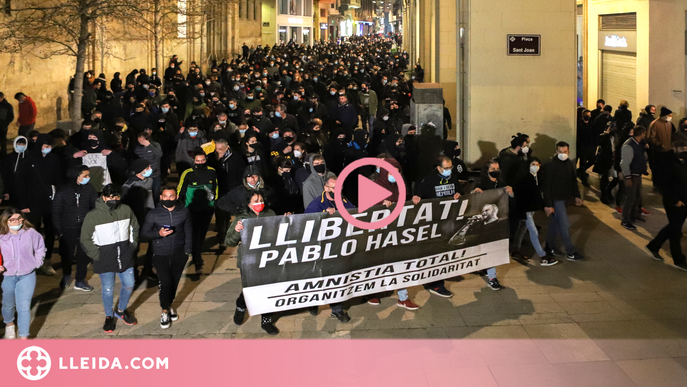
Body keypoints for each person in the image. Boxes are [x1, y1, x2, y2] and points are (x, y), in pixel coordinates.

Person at [80, 184, 139, 333]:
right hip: (104, 259)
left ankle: (121, 310)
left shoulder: (126, 210)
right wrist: (97, 255)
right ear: (104, 197)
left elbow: (135, 228)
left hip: (125, 257)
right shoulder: (93, 216)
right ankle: (108, 317)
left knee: (129, 284)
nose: (113, 200)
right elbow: (85, 239)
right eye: (110, 197)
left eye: (116, 197)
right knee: (108, 289)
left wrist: (132, 247)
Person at [226, 191, 281, 334]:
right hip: (248, 261)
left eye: (261, 199)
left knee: (267, 289)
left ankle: (266, 320)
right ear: (249, 204)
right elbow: (229, 241)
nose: (259, 202)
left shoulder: (271, 214)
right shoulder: (241, 218)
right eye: (255, 200)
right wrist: (237, 230)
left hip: (268, 259)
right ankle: (241, 305)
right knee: (251, 289)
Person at [304, 177, 356, 321]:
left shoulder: (344, 201)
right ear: (326, 188)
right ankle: (313, 303)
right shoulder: (316, 204)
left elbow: (354, 214)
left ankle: (337, 309)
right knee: (317, 277)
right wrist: (323, 215)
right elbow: (307, 223)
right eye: (335, 188)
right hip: (319, 248)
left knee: (336, 277)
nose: (338, 191)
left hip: (337, 247)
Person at [141, 186, 193, 329]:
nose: (168, 199)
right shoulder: (153, 214)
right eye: (165, 196)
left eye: (171, 196)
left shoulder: (184, 212)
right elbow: (144, 234)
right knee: (165, 282)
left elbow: (188, 231)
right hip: (160, 254)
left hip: (179, 254)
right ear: (160, 197)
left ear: (176, 197)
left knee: (174, 282)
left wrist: (187, 251)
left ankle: (169, 304)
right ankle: (164, 310)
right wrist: (159, 234)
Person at [412, 156, 464, 297]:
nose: (449, 171)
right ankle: (436, 284)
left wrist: (459, 194)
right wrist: (416, 198)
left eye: (451, 168)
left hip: (449, 221)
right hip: (434, 222)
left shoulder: (453, 178)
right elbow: (419, 196)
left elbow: (459, 192)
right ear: (438, 168)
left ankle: (437, 278)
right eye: (446, 168)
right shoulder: (429, 181)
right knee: (436, 252)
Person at [0, 208, 45, 339]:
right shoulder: (1, 236)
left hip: (27, 275)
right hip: (7, 276)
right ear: (5, 221)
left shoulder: (30, 233)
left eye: (19, 219)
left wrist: (37, 262)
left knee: (24, 306)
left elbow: (40, 247)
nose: (17, 222)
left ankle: (24, 338)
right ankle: (9, 324)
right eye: (13, 220)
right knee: (8, 304)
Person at [52, 165, 97, 290]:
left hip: (85, 227)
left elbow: (95, 205)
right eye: (85, 175)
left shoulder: (89, 188)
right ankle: (66, 275)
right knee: (67, 254)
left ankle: (80, 280)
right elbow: (56, 212)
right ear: (76, 176)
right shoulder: (64, 191)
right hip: (68, 228)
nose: (88, 178)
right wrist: (60, 230)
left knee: (83, 255)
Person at [646, 140, 687, 271]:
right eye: (681, 147)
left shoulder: (685, 160)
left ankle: (654, 245)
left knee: (674, 227)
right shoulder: (667, 160)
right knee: (675, 230)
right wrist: (675, 200)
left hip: (685, 198)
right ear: (674, 147)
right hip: (674, 201)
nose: (684, 149)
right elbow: (661, 183)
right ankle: (678, 259)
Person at [541, 142, 585, 261]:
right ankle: (570, 252)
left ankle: (549, 248)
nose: (563, 154)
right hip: (556, 200)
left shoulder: (570, 164)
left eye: (565, 152)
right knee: (564, 225)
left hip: (565, 199)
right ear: (556, 152)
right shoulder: (551, 165)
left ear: (568, 152)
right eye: (560, 152)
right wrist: (548, 204)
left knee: (554, 224)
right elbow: (547, 186)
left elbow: (573, 180)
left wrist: (576, 195)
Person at [177, 148, 218, 274]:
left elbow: (216, 188)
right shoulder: (187, 173)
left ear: (206, 160)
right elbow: (180, 190)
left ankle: (196, 253)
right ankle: (197, 257)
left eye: (202, 160)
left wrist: (214, 203)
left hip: (207, 209)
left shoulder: (212, 171)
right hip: (192, 210)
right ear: (194, 161)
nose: (200, 162)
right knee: (194, 234)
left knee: (202, 233)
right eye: (197, 160)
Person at [512, 157, 557, 266]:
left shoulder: (536, 178)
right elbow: (525, 195)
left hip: (530, 209)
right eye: (533, 164)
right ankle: (542, 256)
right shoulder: (525, 179)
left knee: (523, 228)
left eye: (537, 164)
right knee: (533, 231)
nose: (535, 166)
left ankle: (515, 249)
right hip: (526, 209)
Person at [619, 126, 648, 230]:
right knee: (630, 198)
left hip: (637, 174)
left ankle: (634, 215)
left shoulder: (638, 143)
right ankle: (625, 220)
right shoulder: (629, 145)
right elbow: (625, 163)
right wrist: (628, 177)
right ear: (642, 134)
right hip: (632, 175)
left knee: (637, 196)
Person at [0, 92, 14, 158]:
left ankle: (3, 154)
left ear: (2, 98)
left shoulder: (8, 106)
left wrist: (5, 124)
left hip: (3, 127)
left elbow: (11, 117)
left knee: (3, 141)